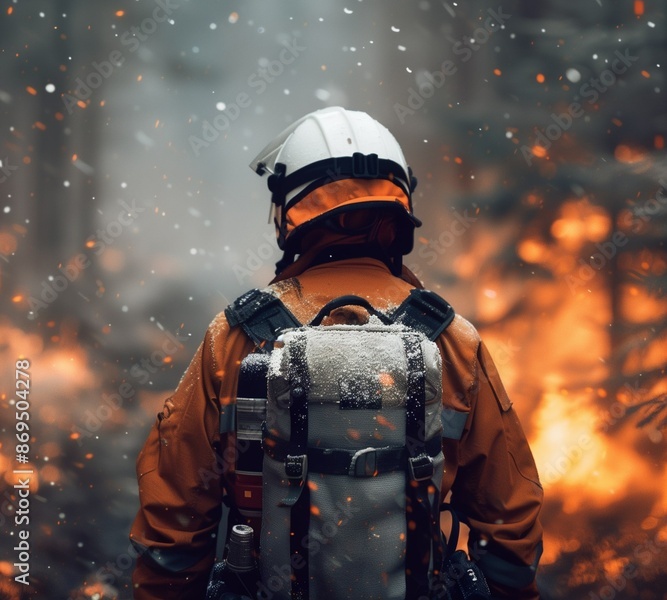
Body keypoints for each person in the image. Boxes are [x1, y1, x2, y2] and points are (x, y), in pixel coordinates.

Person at [130, 107, 543, 600]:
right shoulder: (452, 340)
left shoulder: (236, 336)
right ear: (397, 219)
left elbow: (175, 513)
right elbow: (510, 516)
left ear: (291, 216)